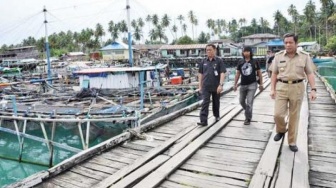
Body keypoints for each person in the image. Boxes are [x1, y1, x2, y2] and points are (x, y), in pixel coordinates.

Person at [271, 33, 317, 152]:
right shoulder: (278, 56)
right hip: (281, 86)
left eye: (290, 42)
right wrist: (272, 89)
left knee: (294, 116)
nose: (288, 45)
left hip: (297, 87)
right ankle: (281, 130)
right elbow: (274, 73)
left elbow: (310, 73)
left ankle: (292, 141)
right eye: (286, 43)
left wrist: (313, 89)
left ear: (296, 43)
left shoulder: (304, 56)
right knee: (278, 114)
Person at [197, 44, 226, 126]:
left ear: (215, 50)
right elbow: (200, 74)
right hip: (206, 86)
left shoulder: (219, 61)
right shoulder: (203, 61)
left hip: (216, 86)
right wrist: (200, 86)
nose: (208, 51)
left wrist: (221, 85)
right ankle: (203, 120)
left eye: (210, 50)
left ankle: (216, 115)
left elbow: (222, 73)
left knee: (216, 102)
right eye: (207, 50)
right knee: (205, 102)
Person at [234, 46, 263, 125]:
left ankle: (247, 118)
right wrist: (235, 84)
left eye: (247, 51)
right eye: (244, 51)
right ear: (242, 53)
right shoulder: (240, 62)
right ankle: (248, 112)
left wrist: (261, 84)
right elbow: (238, 73)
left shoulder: (255, 61)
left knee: (249, 102)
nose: (246, 53)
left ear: (250, 52)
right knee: (241, 101)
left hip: (252, 84)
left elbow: (259, 73)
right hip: (243, 85)